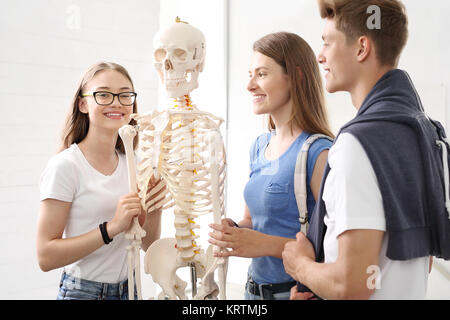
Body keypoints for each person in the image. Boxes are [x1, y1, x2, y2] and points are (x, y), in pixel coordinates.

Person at [282, 0, 445, 300]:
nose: (320, 56)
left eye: (327, 43)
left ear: (361, 48)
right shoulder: (426, 134)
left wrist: (300, 265)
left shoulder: (356, 145)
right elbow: (418, 258)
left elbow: (352, 285)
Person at [208, 32, 334, 300]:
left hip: (292, 293)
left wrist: (263, 244)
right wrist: (236, 230)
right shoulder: (259, 146)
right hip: (252, 291)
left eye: (261, 74)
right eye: (250, 74)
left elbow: (333, 248)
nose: (249, 85)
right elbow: (254, 221)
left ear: (296, 77)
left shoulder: (318, 152)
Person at [37, 62, 164, 300]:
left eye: (125, 95)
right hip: (82, 292)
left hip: (131, 289)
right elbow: (45, 256)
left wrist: (155, 208)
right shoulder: (65, 166)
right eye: (104, 94)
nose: (117, 102)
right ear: (83, 104)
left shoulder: (135, 163)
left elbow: (148, 244)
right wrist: (112, 227)